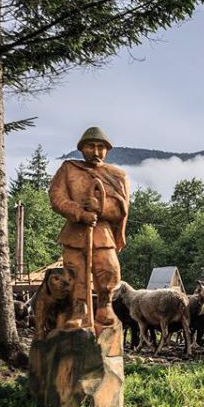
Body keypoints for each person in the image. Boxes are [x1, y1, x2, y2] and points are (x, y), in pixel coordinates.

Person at [49, 126, 129, 327]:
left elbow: (122, 207)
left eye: (101, 147)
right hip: (75, 234)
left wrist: (100, 207)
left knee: (109, 269)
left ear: (107, 150)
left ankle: (105, 305)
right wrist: (79, 213)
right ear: (82, 148)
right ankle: (79, 309)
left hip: (102, 233)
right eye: (91, 146)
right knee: (75, 273)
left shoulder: (117, 175)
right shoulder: (68, 170)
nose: (96, 151)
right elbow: (57, 197)